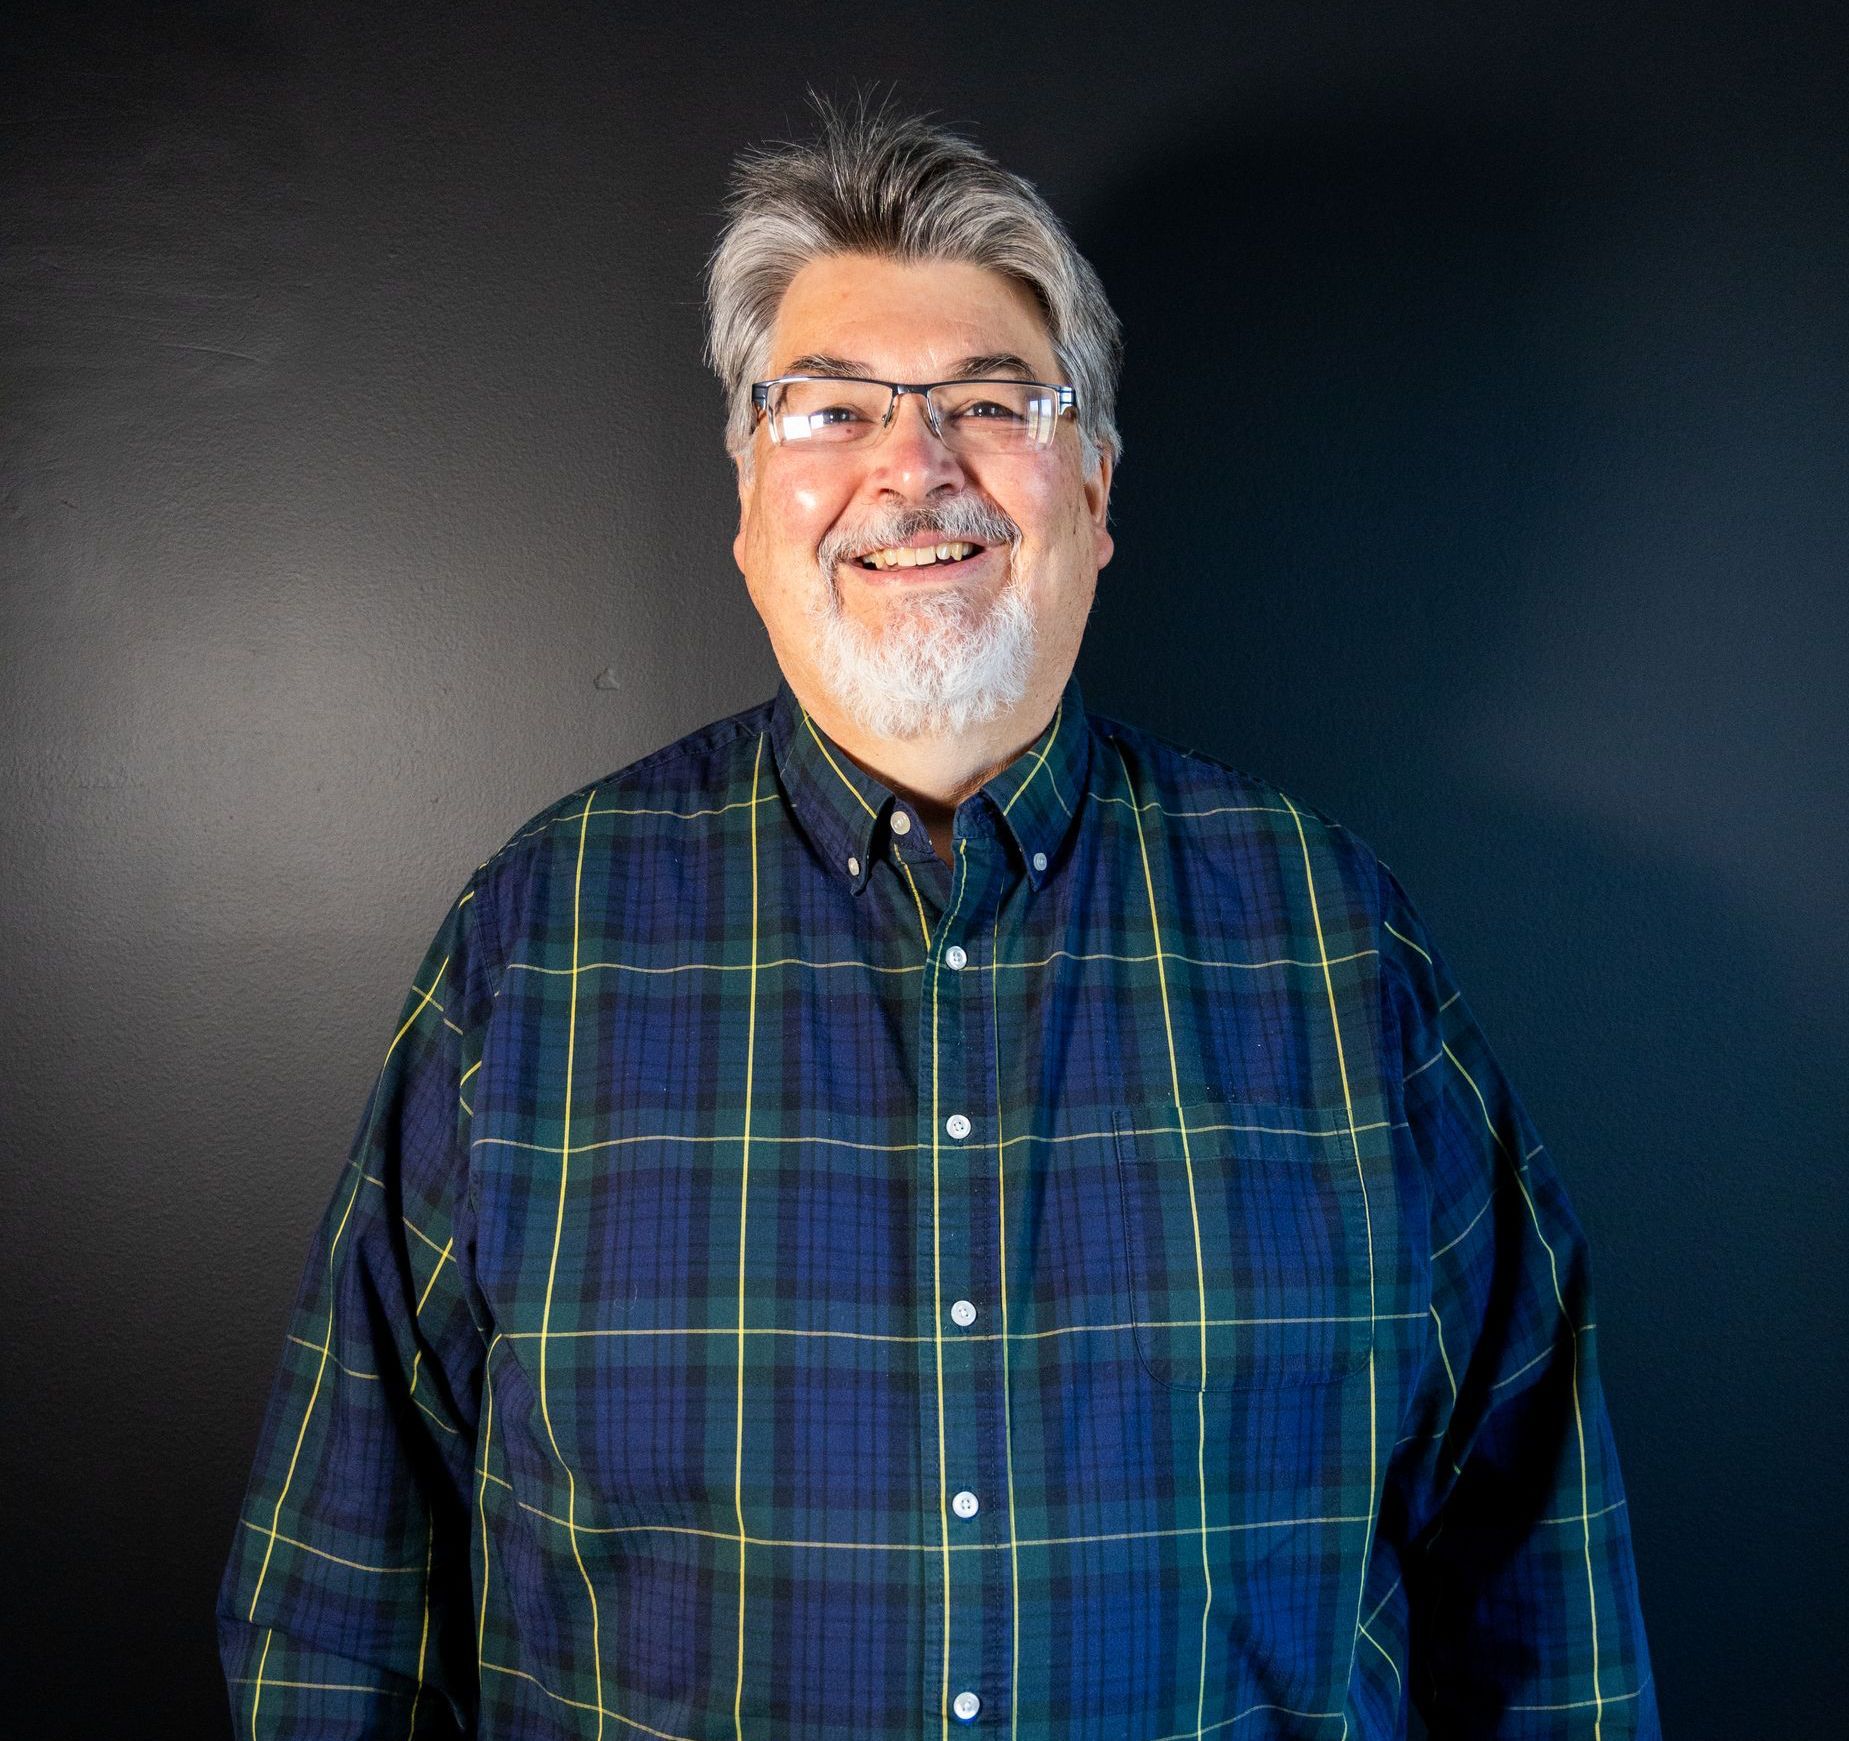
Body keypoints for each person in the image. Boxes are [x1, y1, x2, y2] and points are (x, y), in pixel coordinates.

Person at [218, 96, 1658, 1739]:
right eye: (831, 409)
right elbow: (340, 1598)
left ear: (1096, 492)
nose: (915, 465)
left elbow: (1538, 1576)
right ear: (753, 503)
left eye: (992, 401)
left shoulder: (1334, 943)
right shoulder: (536, 944)